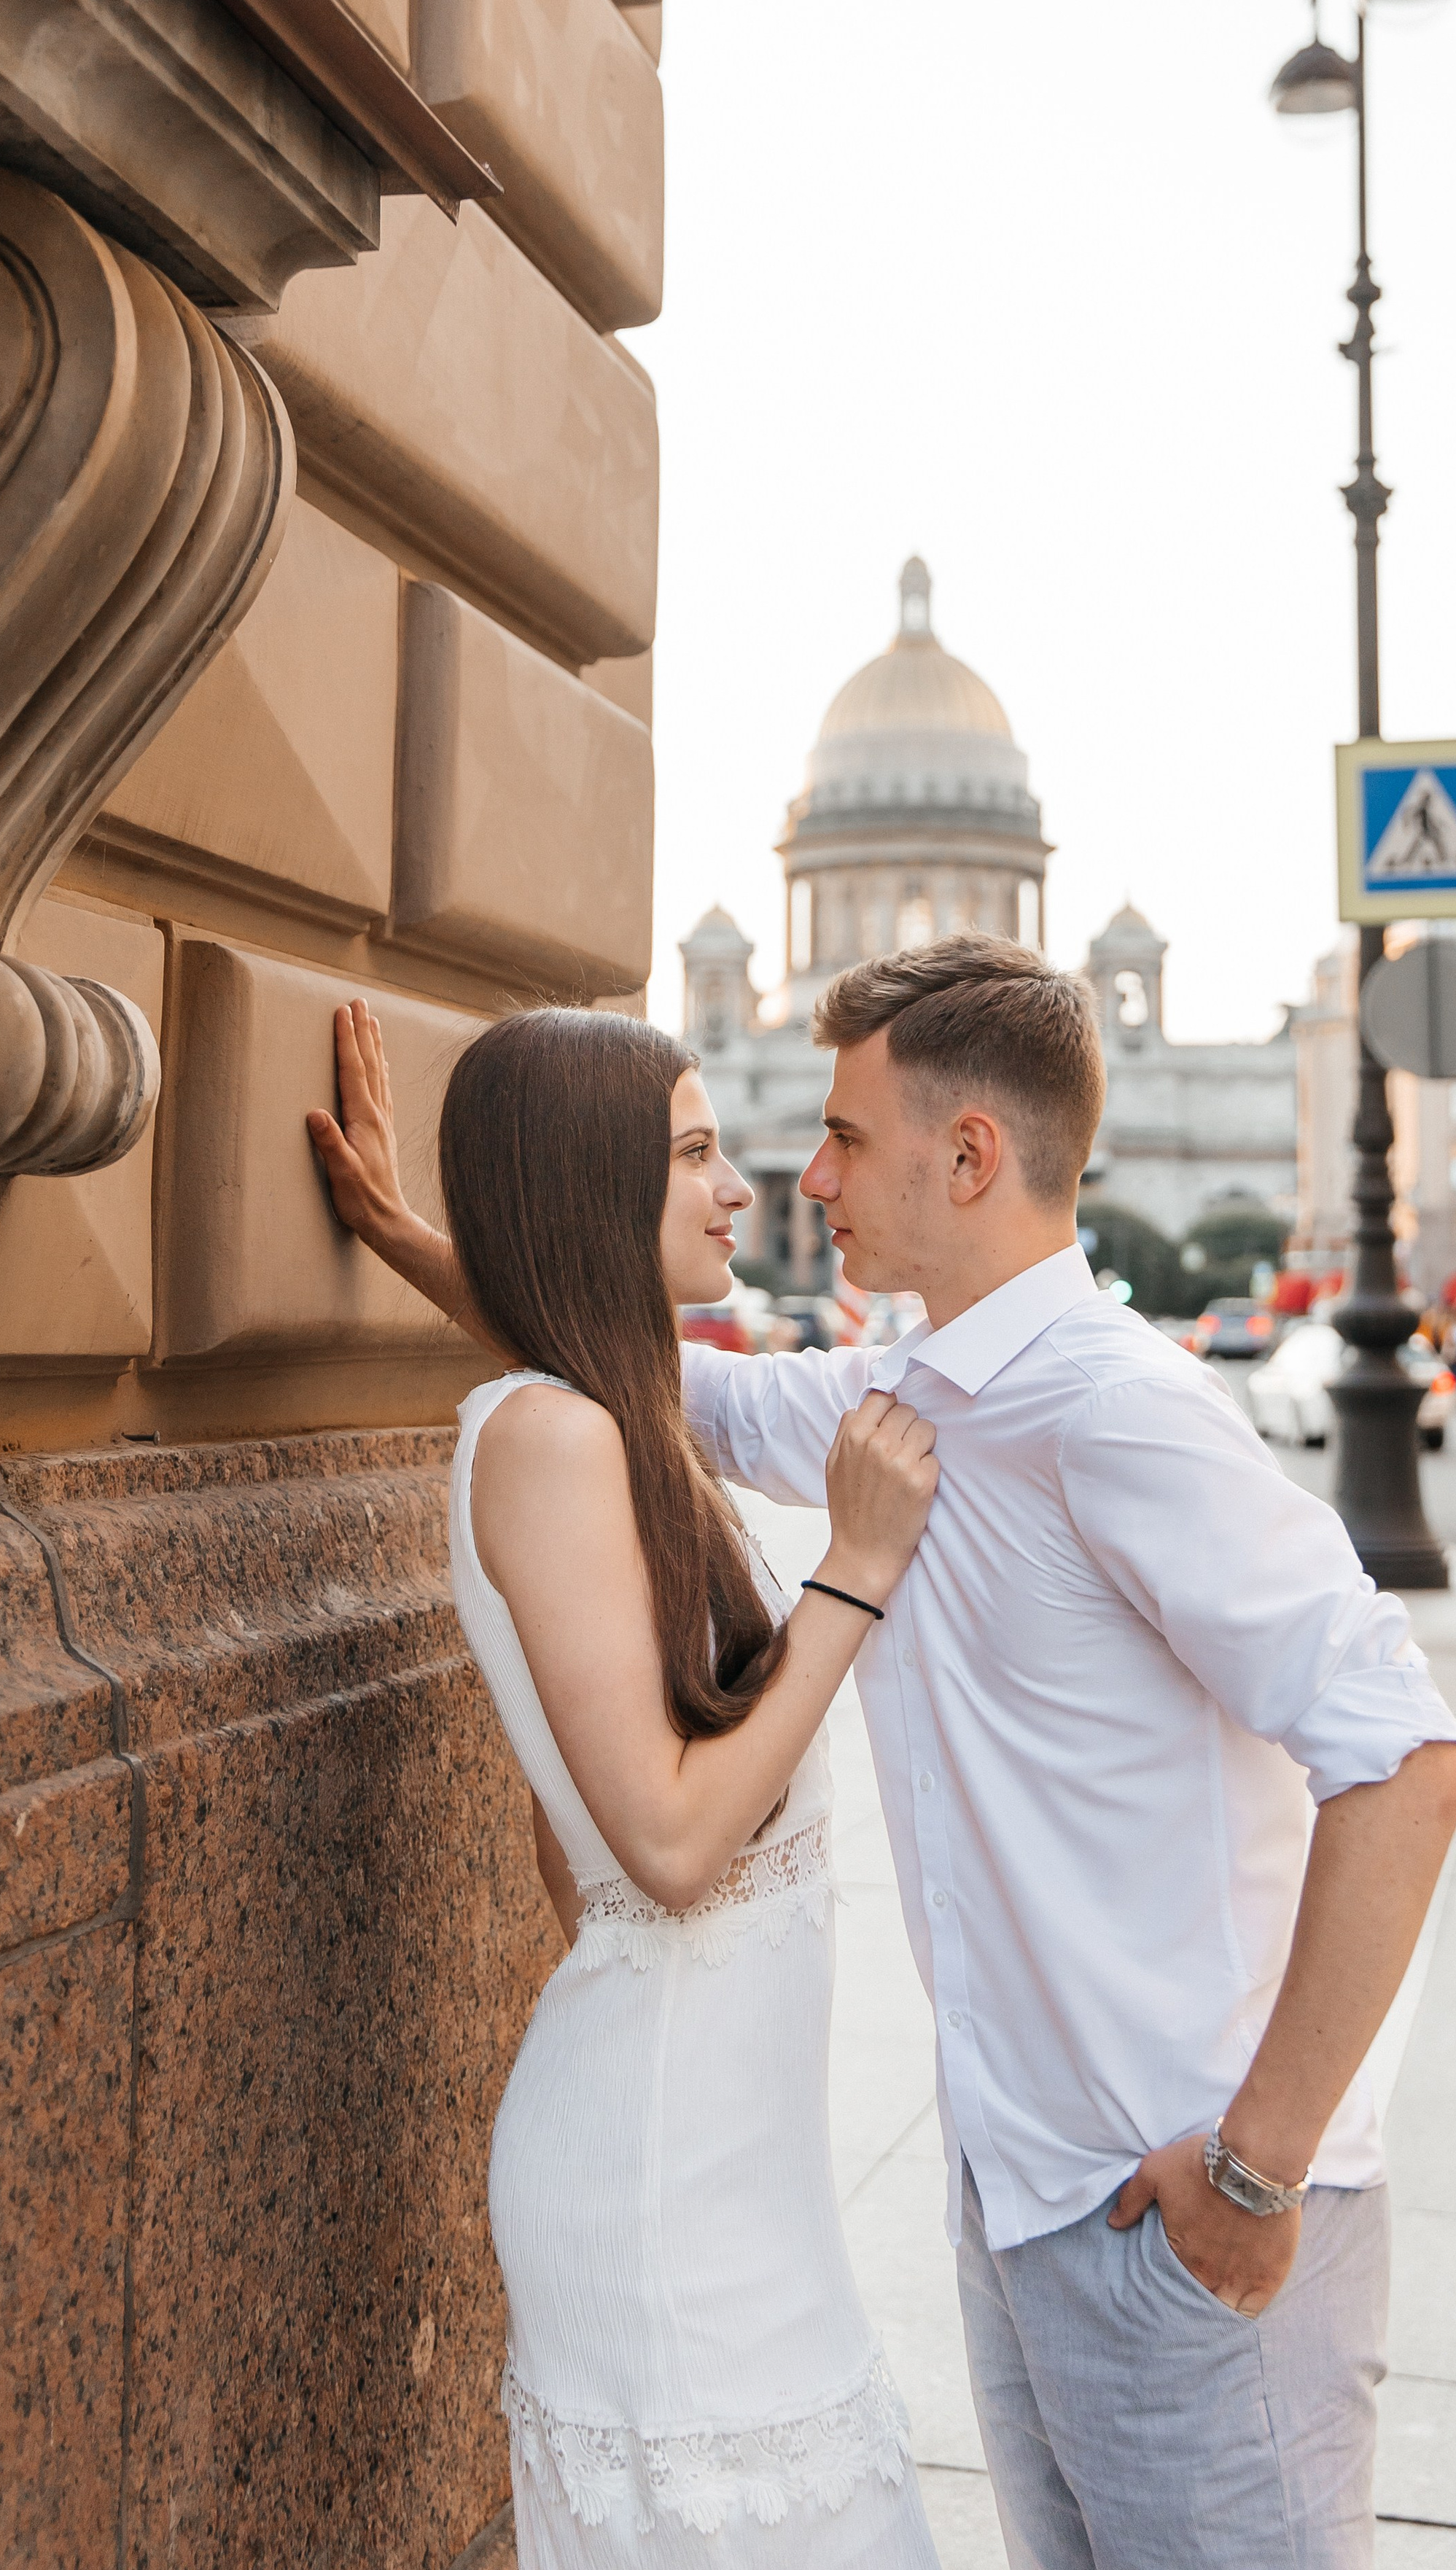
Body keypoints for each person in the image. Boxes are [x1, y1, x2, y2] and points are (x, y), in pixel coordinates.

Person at [678, 932, 1456, 2570]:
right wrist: (419, 1236)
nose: (806, 1175)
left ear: (967, 1155)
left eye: (843, 1135)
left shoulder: (1115, 1411)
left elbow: (1406, 1761)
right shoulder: (906, 1398)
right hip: (1035, 2195)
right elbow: (663, 1392)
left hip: (1185, 2221)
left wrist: (1251, 2174)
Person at [308, 1002, 943, 2568]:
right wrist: (850, 1578)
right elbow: (661, 1838)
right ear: (596, 1188)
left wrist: (398, 1227)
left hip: (724, 2164)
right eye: (693, 1153)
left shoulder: (605, 1418)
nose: (741, 1189)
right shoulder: (552, 1441)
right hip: (662, 2176)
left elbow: (583, 1818)